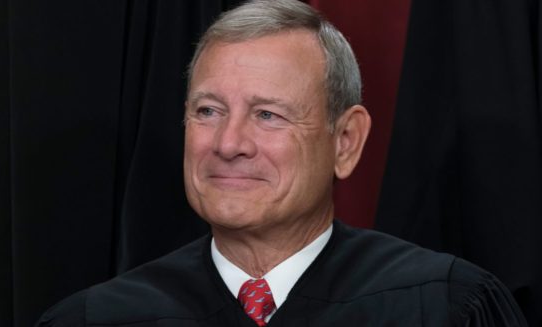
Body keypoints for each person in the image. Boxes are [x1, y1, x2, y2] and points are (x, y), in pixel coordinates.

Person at [36, 0, 528, 326]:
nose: (229, 143)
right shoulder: (96, 317)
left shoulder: (444, 306)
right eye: (208, 111)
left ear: (346, 142)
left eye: (268, 115)